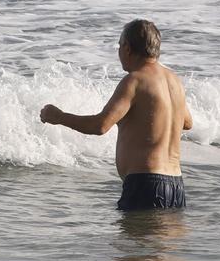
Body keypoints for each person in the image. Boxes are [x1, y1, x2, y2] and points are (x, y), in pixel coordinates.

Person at [39, 19, 193, 211]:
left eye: (119, 45)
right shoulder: (174, 81)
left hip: (146, 184)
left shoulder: (135, 81)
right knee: (163, 242)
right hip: (176, 185)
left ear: (127, 48)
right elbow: (187, 123)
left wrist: (60, 117)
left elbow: (100, 126)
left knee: (133, 241)